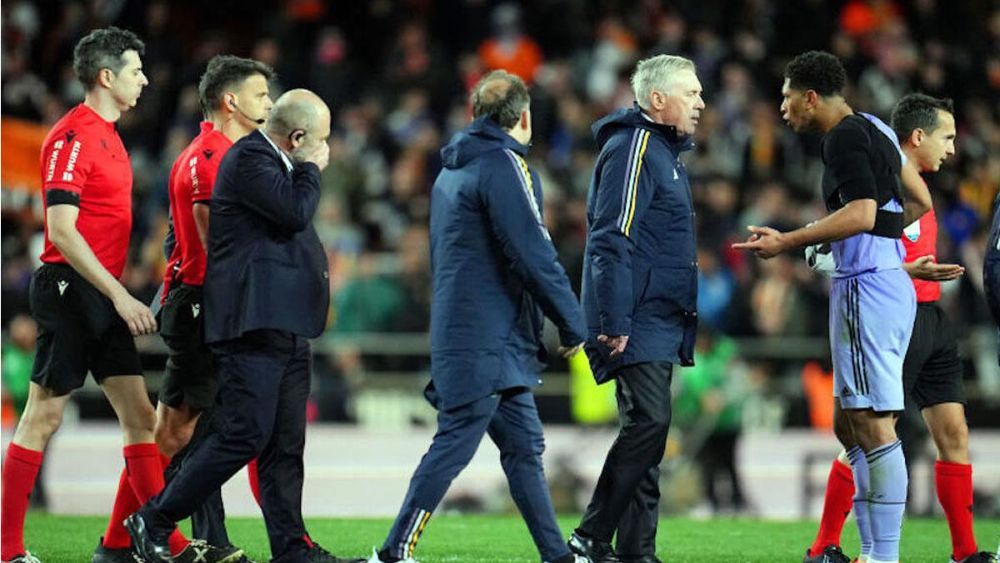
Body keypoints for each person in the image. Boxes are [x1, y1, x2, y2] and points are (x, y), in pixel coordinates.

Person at [0, 26, 208, 563]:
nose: (145, 79)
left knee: (140, 418)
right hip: (71, 288)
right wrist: (120, 295)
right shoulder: (72, 137)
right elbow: (62, 230)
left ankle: (153, 540)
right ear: (106, 76)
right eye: (136, 70)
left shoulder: (112, 137)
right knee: (42, 415)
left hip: (100, 292)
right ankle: (6, 550)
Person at [364, 70, 587, 563]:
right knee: (455, 444)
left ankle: (558, 557)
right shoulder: (504, 165)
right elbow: (533, 252)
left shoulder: (453, 170)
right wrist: (571, 320)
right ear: (524, 116)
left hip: (477, 332)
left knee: (525, 449)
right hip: (487, 336)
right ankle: (393, 551)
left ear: (475, 115)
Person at [126, 89, 357, 563]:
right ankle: (155, 518)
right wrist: (311, 167)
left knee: (284, 447)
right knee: (243, 434)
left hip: (286, 324)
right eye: (322, 139)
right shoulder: (251, 159)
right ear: (297, 137)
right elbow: (295, 213)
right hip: (252, 324)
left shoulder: (272, 165)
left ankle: (291, 548)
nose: (326, 148)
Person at [734, 51, 933, 563]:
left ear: (810, 97)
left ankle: (882, 555)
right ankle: (871, 551)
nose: (782, 108)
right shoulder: (874, 127)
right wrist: (878, 251)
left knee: (871, 424)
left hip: (866, 289)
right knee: (851, 425)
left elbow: (864, 210)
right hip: (882, 281)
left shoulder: (841, 137)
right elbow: (918, 200)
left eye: (785, 97)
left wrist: (793, 241)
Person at [802, 94, 997, 563]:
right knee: (866, 435)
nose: (952, 148)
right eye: (946, 137)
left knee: (954, 430)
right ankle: (825, 544)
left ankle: (965, 552)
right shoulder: (874, 184)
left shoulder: (921, 190)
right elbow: (831, 254)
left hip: (932, 319)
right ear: (917, 137)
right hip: (893, 317)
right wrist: (908, 274)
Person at [568, 54, 705, 563]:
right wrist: (614, 320)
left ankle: (637, 553)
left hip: (657, 315)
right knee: (651, 422)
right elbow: (609, 237)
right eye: (691, 93)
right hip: (637, 315)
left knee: (646, 435)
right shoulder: (636, 147)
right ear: (658, 100)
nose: (701, 102)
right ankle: (590, 534)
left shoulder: (663, 153)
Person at [155, 54, 274, 559]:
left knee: (194, 429)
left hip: (198, 300)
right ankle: (142, 530)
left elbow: (173, 241)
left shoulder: (210, 153)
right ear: (232, 102)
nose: (268, 101)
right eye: (261, 94)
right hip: (205, 302)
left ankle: (201, 538)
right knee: (183, 432)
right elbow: (215, 245)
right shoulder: (212, 158)